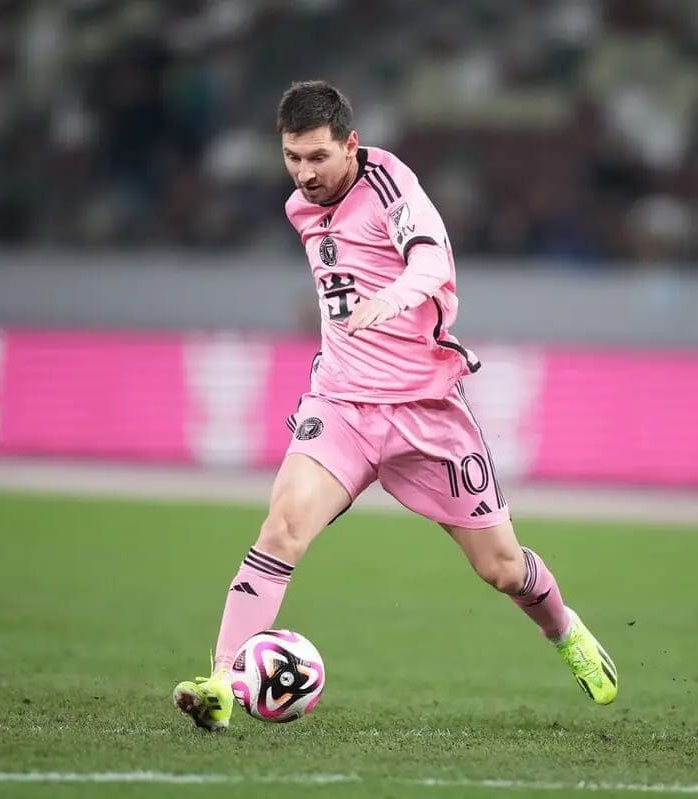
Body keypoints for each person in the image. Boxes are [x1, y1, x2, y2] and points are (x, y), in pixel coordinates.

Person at [172, 80, 617, 730]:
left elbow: (432, 262)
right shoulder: (300, 207)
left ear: (351, 144)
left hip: (425, 411)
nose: (305, 173)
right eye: (293, 157)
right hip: (342, 404)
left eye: (318, 156)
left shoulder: (389, 184)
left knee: (501, 568)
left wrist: (393, 298)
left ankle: (564, 629)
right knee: (282, 528)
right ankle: (220, 682)